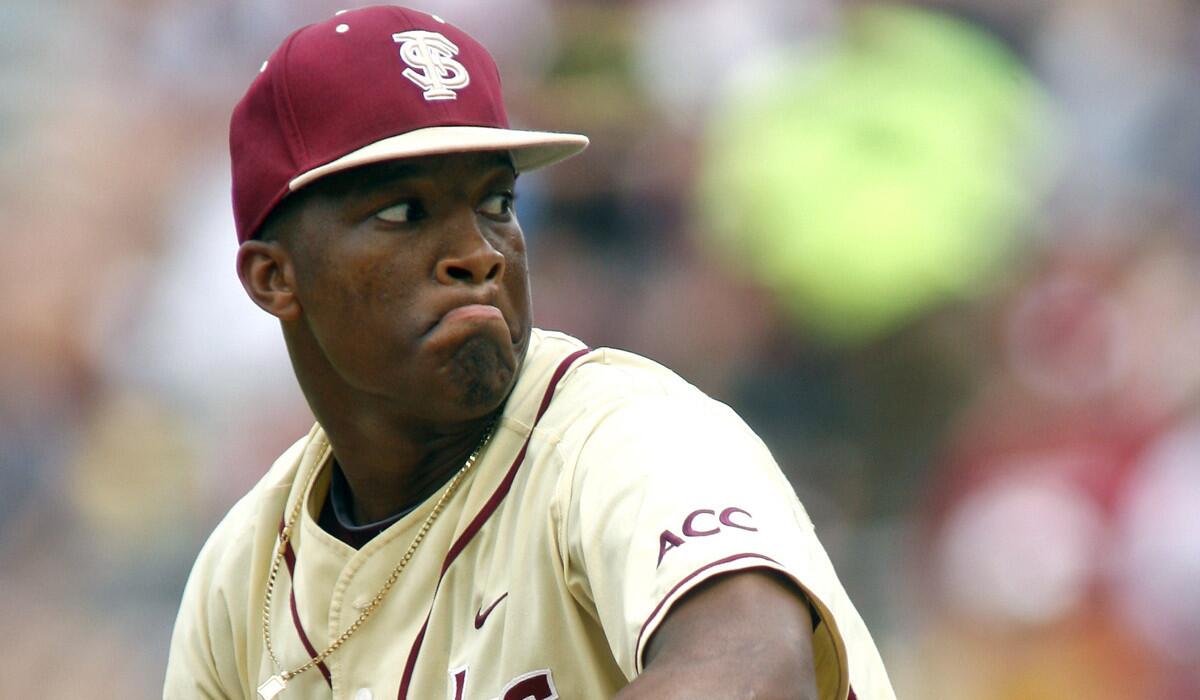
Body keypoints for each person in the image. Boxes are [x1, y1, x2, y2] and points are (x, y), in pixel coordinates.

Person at [164, 6, 896, 699]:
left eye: (496, 204)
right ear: (274, 277)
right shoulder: (244, 575)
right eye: (403, 212)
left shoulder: (625, 437)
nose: (477, 253)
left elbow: (753, 675)